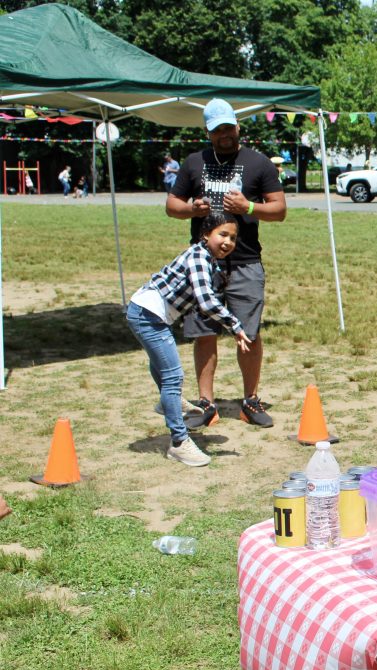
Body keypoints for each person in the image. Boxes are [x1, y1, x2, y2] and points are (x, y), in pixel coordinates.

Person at [165, 98, 286, 430]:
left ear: (238, 127)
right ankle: (206, 403)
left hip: (246, 261)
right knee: (203, 332)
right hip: (203, 264)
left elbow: (279, 209)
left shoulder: (258, 163)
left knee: (248, 332)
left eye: (229, 128)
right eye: (218, 130)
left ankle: (250, 401)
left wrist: (248, 207)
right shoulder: (194, 163)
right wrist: (192, 210)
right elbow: (171, 205)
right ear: (208, 133)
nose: (225, 135)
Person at [126, 213, 253, 467]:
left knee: (165, 373)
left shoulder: (206, 259)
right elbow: (206, 301)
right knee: (173, 377)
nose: (228, 242)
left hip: (145, 313)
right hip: (147, 315)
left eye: (233, 238)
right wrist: (235, 325)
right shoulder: (198, 257)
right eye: (222, 234)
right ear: (206, 235)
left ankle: (168, 403)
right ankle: (179, 442)